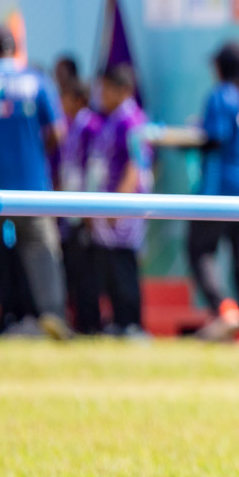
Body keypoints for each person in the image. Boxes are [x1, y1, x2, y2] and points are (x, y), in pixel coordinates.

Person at [0, 26, 70, 340]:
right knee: (43, 253)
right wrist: (31, 153)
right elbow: (58, 132)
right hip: (32, 188)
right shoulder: (38, 81)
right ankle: (53, 317)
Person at [187, 42, 239, 341]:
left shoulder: (222, 95)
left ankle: (225, 309)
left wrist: (193, 136)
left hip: (222, 189)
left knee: (199, 249)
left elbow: (215, 138)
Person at [85, 65, 150, 338]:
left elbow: (136, 164)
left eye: (107, 88)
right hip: (108, 205)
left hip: (124, 205)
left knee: (124, 263)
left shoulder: (132, 121)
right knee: (109, 264)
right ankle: (117, 322)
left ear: (124, 91)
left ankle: (131, 323)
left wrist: (119, 203)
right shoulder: (112, 119)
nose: (101, 94)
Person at [57, 78, 103, 335]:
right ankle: (79, 320)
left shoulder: (92, 126)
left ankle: (91, 322)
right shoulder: (71, 126)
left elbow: (94, 171)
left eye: (65, 98)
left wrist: (89, 206)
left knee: (87, 269)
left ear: (79, 100)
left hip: (83, 206)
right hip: (70, 207)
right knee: (74, 265)